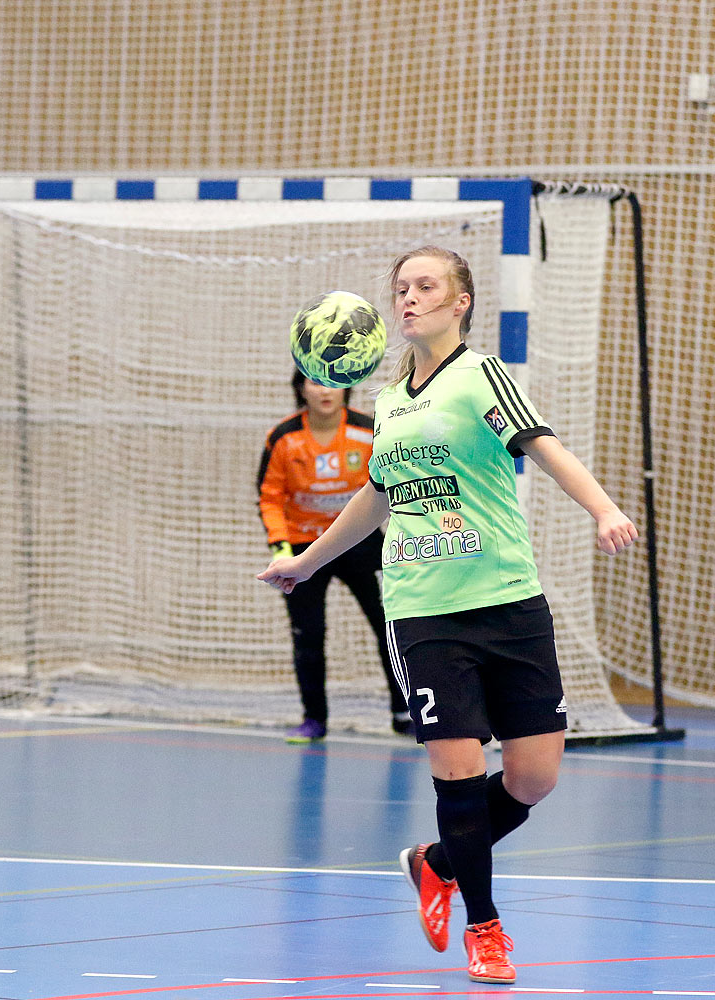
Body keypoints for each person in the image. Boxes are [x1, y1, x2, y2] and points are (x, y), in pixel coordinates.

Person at [259, 246, 637, 983]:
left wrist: (602, 507)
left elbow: (544, 446)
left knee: (533, 779)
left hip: (508, 599)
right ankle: (486, 929)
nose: (407, 298)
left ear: (460, 301)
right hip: (424, 609)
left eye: (424, 286)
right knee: (459, 771)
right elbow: (375, 497)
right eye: (400, 288)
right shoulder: (392, 401)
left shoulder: (481, 377)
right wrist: (307, 561)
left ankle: (437, 863)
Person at [258, 369, 412, 742]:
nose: (326, 390)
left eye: (334, 382)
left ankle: (404, 713)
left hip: (361, 544)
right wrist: (281, 548)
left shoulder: (369, 429)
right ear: (300, 389)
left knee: (390, 626)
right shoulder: (283, 438)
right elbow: (270, 497)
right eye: (315, 382)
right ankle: (314, 719)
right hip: (303, 550)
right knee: (308, 634)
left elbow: (395, 481)